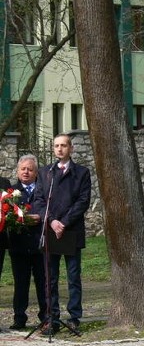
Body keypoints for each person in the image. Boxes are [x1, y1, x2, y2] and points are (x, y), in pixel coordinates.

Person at [32, 133, 91, 334]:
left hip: (70, 230)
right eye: (56, 146)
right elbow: (39, 200)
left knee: (73, 276)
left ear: (71, 148)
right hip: (50, 229)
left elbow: (83, 201)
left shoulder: (81, 173)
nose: (59, 149)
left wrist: (63, 222)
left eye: (63, 145)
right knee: (51, 277)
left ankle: (74, 317)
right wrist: (52, 221)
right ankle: (52, 318)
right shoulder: (45, 172)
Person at [8, 155, 47, 330]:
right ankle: (19, 318)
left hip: (40, 244)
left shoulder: (43, 189)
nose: (26, 172)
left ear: (36, 172)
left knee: (43, 282)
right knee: (21, 283)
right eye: (23, 169)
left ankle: (45, 316)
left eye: (30, 169)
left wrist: (40, 216)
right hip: (19, 245)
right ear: (18, 171)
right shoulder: (10, 193)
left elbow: (48, 208)